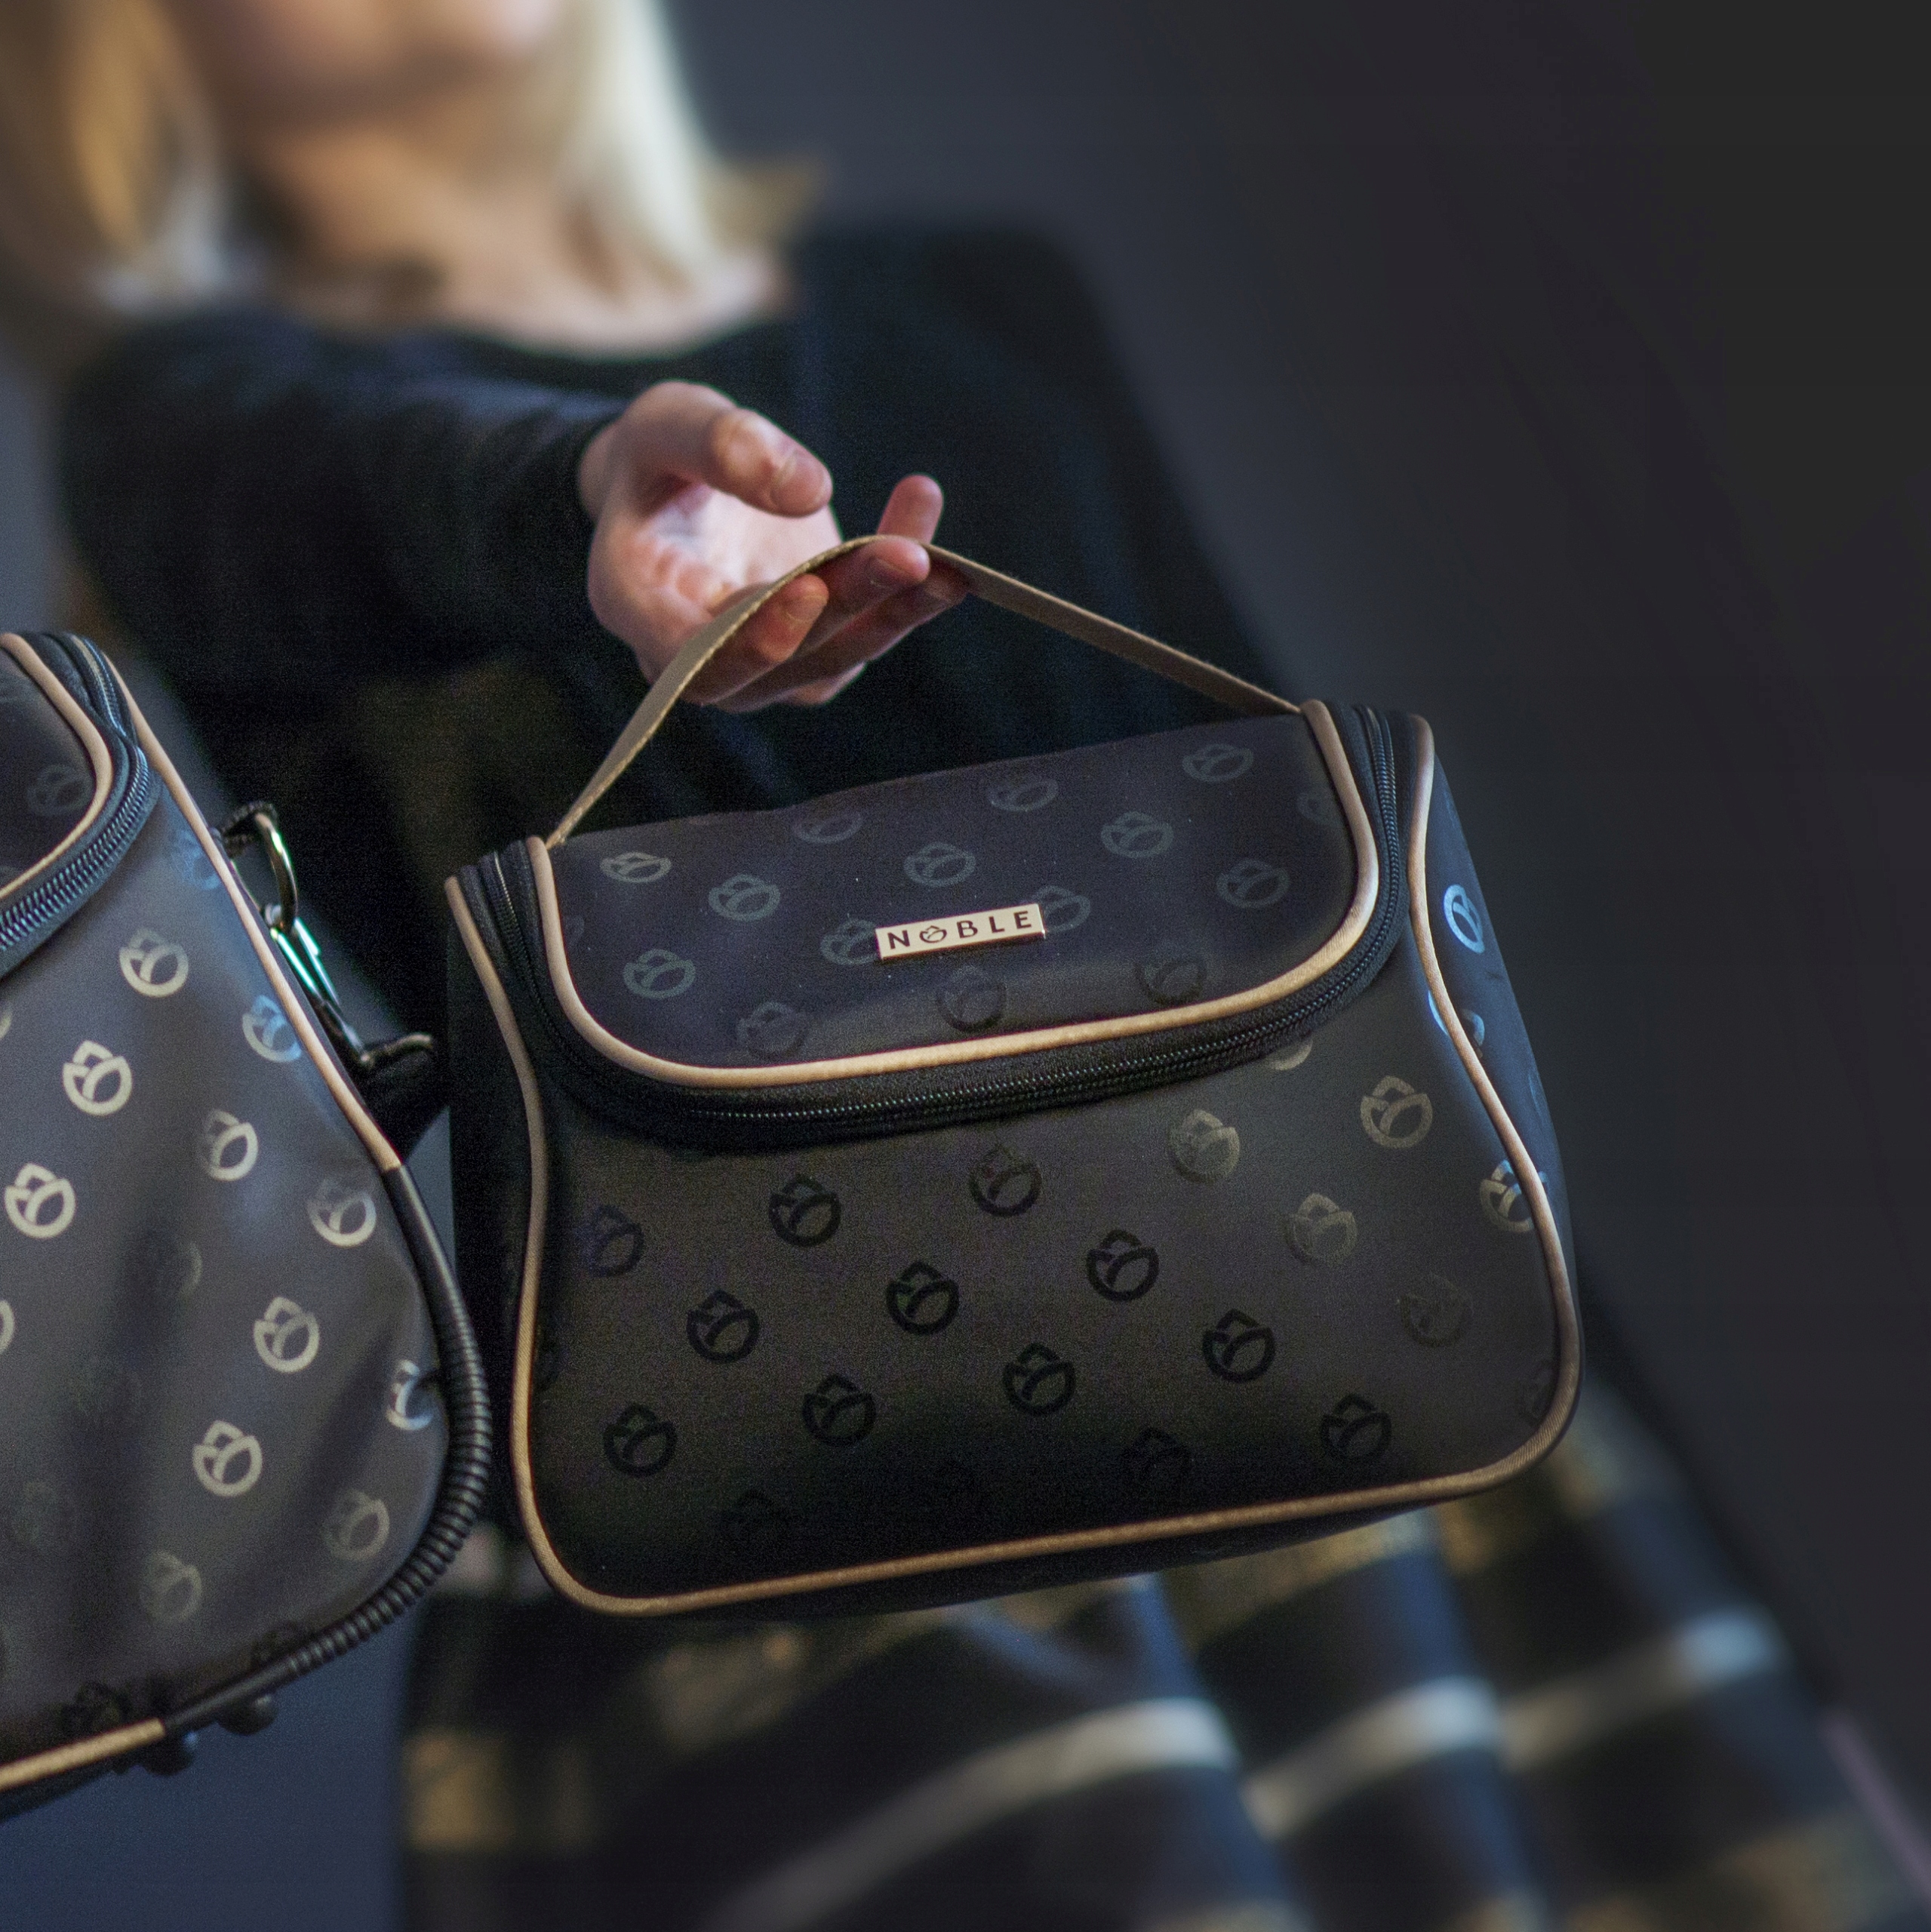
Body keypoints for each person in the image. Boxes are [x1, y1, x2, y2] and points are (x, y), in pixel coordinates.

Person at [2, 5, 1925, 1929]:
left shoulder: (981, 302)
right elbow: (349, 489)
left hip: (1359, 1376)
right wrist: (583, 487)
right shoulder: (181, 430)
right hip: (791, 1520)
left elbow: (1390, 960)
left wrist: (1781, 1650)